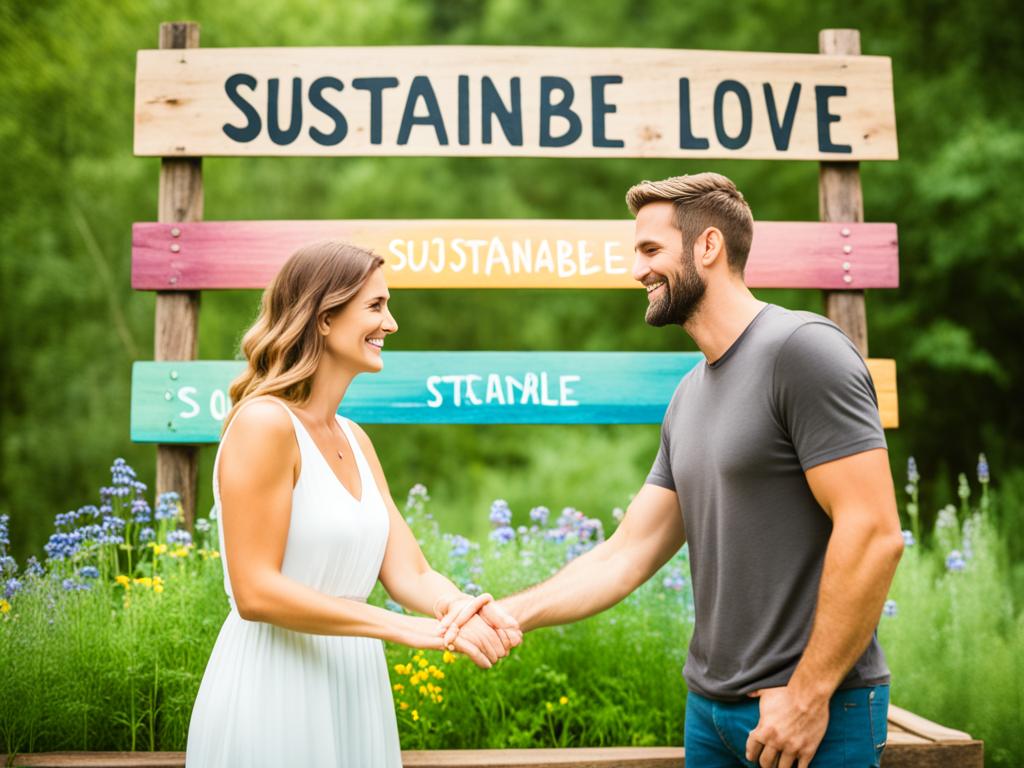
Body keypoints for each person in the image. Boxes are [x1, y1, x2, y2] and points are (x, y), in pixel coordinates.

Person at [441, 173, 905, 767]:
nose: (637, 270)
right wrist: (506, 615)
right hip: (709, 716)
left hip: (810, 716)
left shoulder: (802, 351)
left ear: (708, 247)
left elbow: (874, 532)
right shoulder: (689, 394)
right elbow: (627, 552)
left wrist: (809, 696)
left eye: (651, 250)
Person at [186, 241, 520, 768]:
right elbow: (255, 591)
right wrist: (398, 627)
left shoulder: (355, 438)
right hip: (276, 689)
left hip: (354, 685)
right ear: (323, 317)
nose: (391, 323)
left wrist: (460, 609)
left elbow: (410, 571)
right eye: (375, 306)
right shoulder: (265, 425)